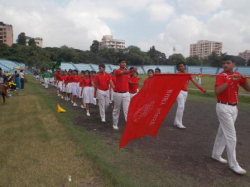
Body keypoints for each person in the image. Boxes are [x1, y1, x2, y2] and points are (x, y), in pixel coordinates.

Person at [211, 56, 250, 175]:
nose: (225, 65)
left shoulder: (237, 75)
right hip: (223, 107)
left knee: (222, 132)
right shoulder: (221, 76)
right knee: (231, 136)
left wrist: (244, 80)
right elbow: (217, 91)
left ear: (233, 64)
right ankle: (233, 164)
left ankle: (216, 154)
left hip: (234, 108)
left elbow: (248, 89)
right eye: (223, 63)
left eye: (228, 63)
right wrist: (229, 80)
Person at [174, 62, 206, 129]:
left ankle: (176, 122)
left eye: (182, 66)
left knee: (181, 107)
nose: (181, 67)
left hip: (185, 92)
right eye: (179, 66)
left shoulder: (188, 74)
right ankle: (179, 123)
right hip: (179, 92)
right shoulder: (178, 74)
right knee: (181, 107)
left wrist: (201, 89)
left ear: (185, 66)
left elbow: (194, 81)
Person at [112, 59, 137, 130]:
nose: (124, 63)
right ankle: (115, 124)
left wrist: (133, 72)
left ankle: (128, 123)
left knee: (127, 109)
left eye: (125, 62)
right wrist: (131, 70)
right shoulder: (117, 71)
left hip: (126, 93)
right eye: (122, 62)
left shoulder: (127, 72)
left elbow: (129, 76)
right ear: (119, 64)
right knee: (116, 109)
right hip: (118, 93)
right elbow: (123, 73)